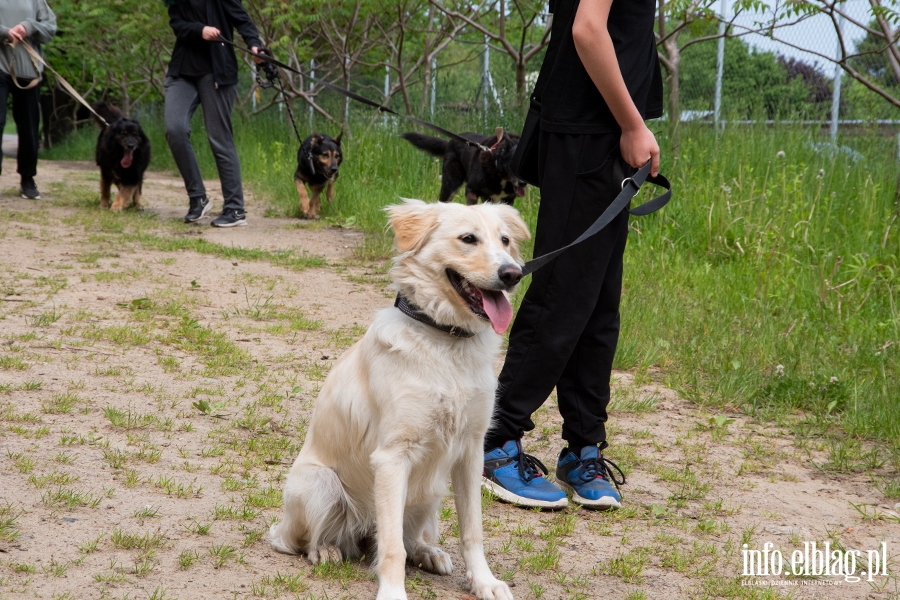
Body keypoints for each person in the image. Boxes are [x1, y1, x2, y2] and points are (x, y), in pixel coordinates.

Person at [482, 0, 663, 510]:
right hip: (590, 129)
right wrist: (632, 125)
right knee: (564, 296)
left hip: (599, 131)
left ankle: (583, 446)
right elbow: (588, 29)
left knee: (598, 303)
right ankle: (495, 440)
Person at [164, 0, 263, 227]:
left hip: (216, 71)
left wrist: (255, 45)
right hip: (183, 72)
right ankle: (198, 197)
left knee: (219, 138)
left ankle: (235, 209)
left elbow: (242, 20)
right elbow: (177, 24)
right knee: (174, 129)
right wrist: (200, 30)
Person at [0, 0, 56, 200]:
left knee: (29, 126)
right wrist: (6, 32)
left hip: (29, 71)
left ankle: (27, 178)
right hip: (1, 68)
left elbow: (50, 27)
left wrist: (28, 27)